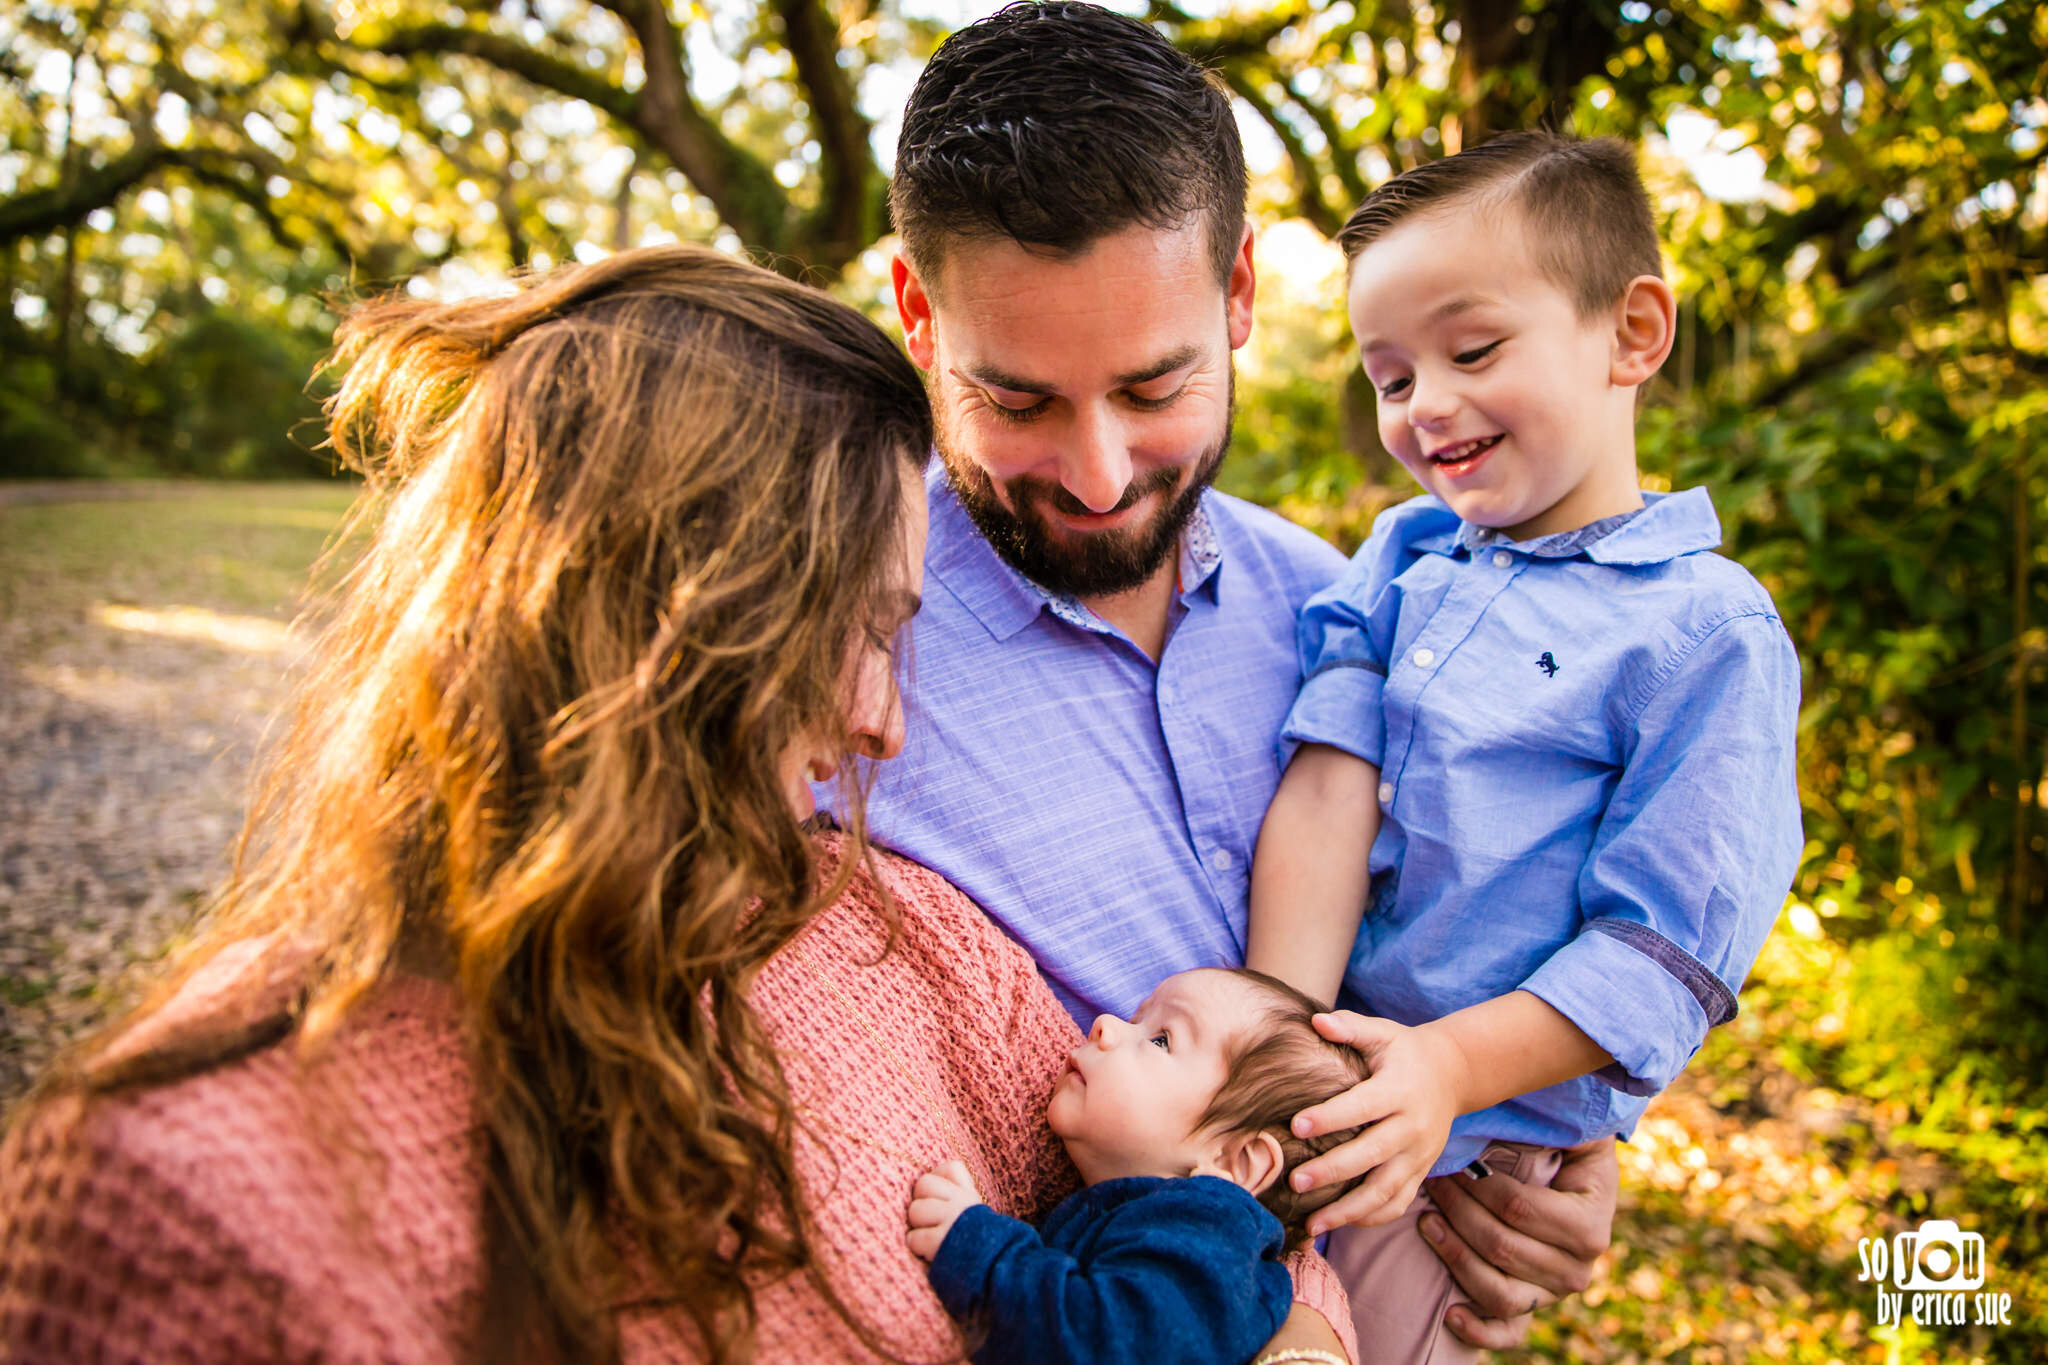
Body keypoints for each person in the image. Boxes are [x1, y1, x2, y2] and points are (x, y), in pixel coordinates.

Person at [0, 245, 1358, 1363]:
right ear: (652, 626)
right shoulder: (188, 1191)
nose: (881, 720)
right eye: (854, 632)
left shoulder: (897, 935)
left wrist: (1308, 1342)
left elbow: (1223, 1228)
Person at [831, 2, 1620, 1344]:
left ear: (1241, 292)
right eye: (1017, 398)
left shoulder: (1342, 607)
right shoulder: (834, 643)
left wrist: (1539, 1164)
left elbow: (1477, 928)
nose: (1096, 472)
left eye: (1154, 387)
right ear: (916, 309)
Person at [1244, 131, 1804, 1361]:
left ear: (1631, 334)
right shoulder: (1398, 558)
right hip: (1297, 1114)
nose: (1424, 406)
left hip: (1461, 1173)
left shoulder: (1702, 632)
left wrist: (1444, 1069)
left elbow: (1662, 949)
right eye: (1389, 379)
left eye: (1472, 351)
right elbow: (1328, 783)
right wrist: (1272, 1040)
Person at [905, 968, 1371, 1365]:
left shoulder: (1206, 1237)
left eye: (1161, 1040)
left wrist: (981, 1251)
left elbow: (1106, 1344)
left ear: (1236, 1161)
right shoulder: (1174, 1229)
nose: (1105, 1025)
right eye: (1137, 1020)